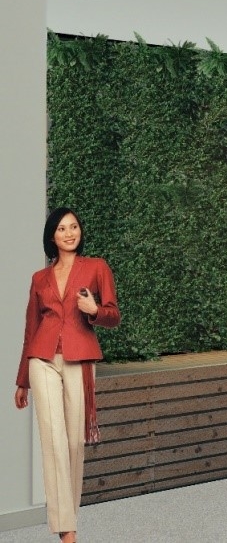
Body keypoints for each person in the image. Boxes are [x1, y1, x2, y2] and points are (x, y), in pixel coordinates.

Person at [13, 207, 120, 543]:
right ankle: (67, 531)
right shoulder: (39, 278)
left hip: (79, 358)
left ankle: (67, 517)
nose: (69, 233)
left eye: (74, 227)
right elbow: (30, 328)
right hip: (42, 360)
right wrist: (22, 380)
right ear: (52, 236)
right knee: (54, 440)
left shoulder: (97, 267)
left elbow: (113, 315)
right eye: (61, 229)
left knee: (74, 443)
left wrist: (94, 310)